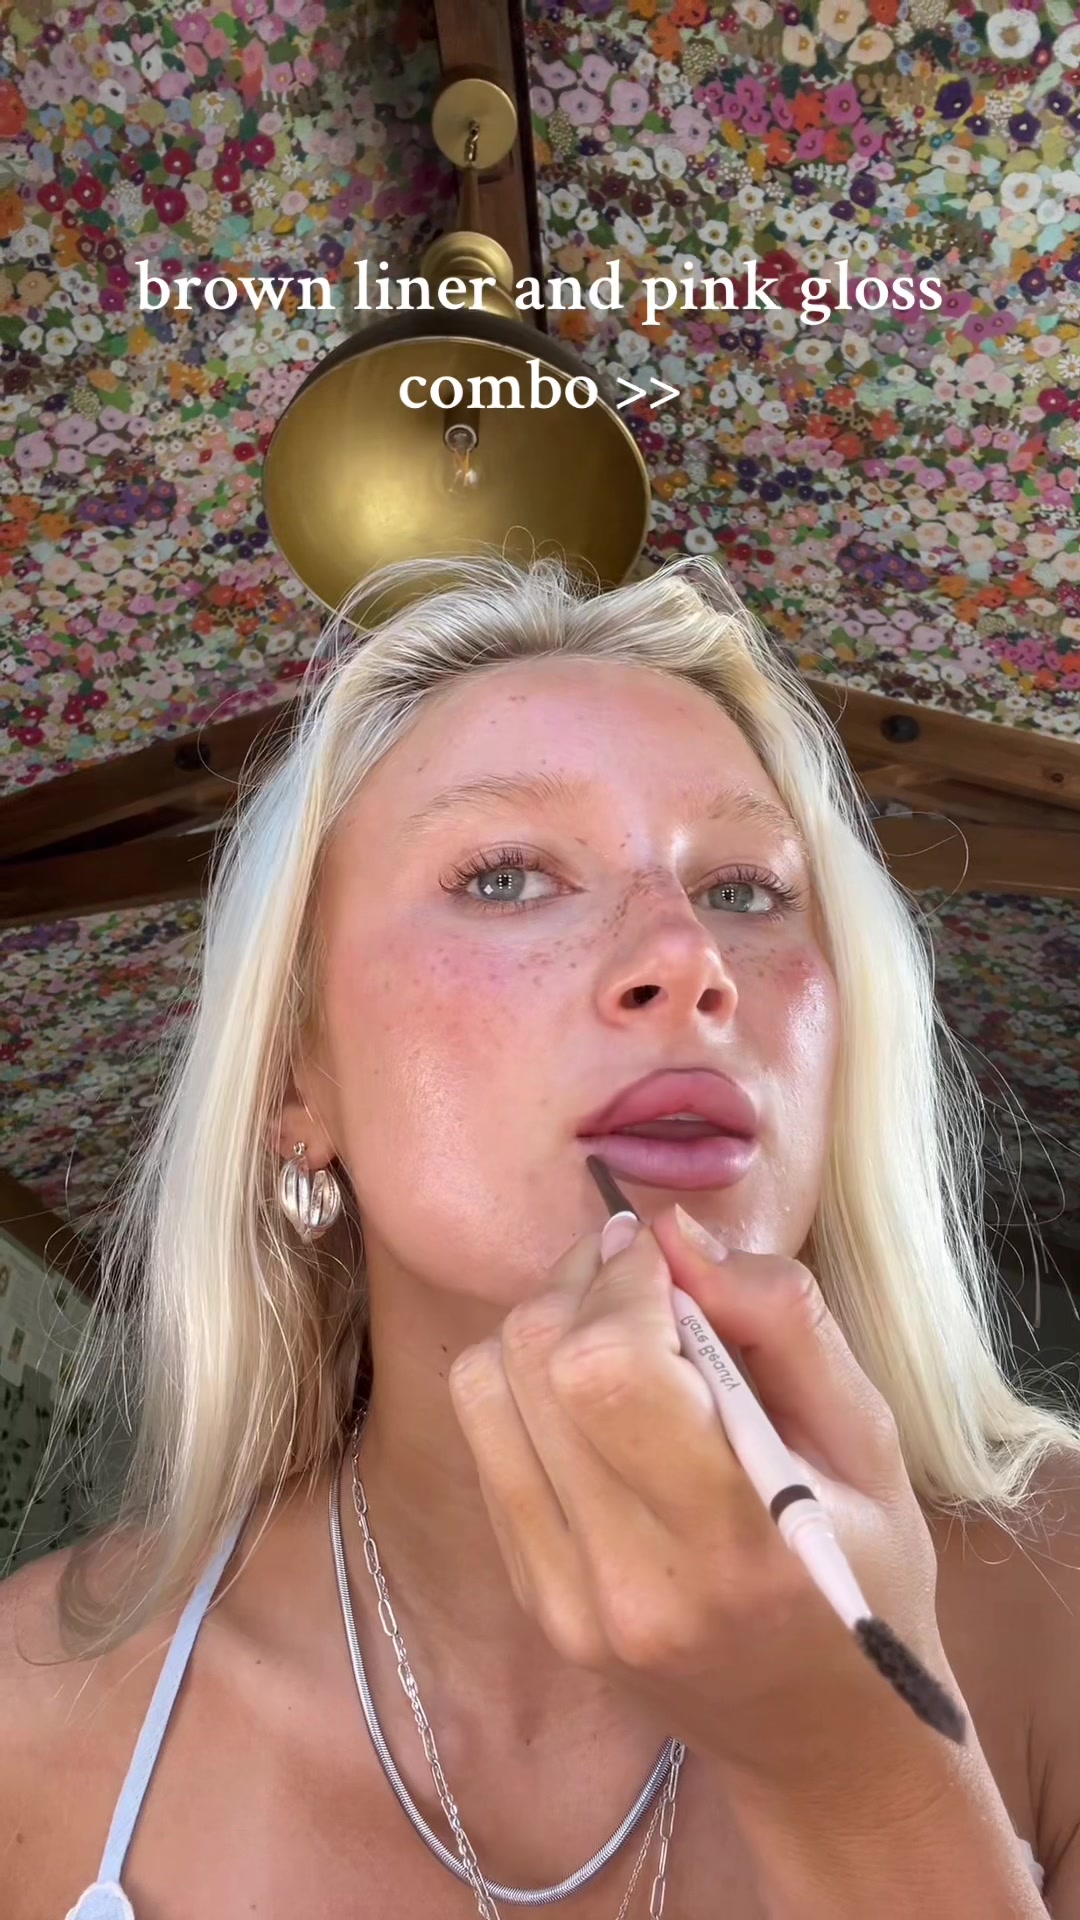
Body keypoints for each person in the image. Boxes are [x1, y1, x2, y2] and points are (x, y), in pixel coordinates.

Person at [2, 552, 1077, 1919]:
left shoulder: (1062, 1603)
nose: (687, 958)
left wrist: (863, 1773)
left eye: (748, 888)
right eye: (507, 876)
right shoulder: (30, 1714)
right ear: (294, 1079)